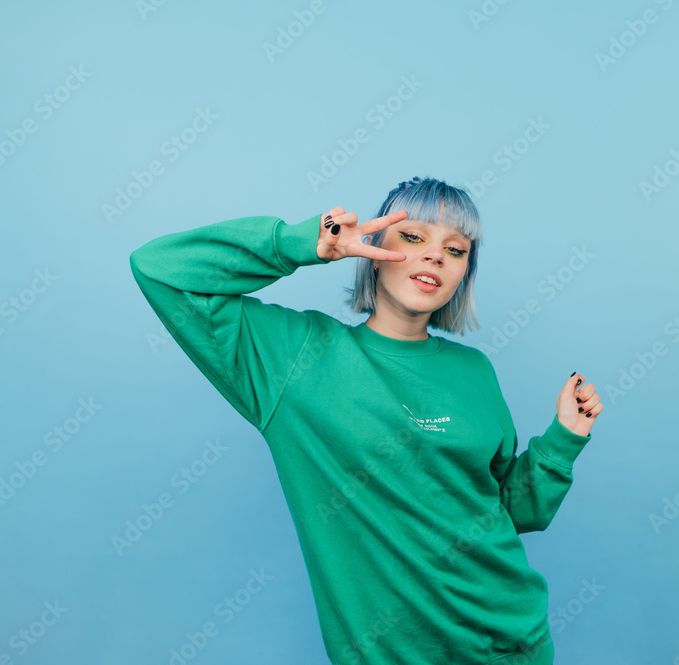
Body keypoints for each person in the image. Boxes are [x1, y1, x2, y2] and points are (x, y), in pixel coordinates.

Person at [129, 176, 602, 665]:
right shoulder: (295, 359)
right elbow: (159, 268)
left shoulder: (474, 371)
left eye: (456, 249)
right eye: (414, 237)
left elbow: (508, 512)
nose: (436, 256)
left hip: (511, 641)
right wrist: (298, 243)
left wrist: (562, 441)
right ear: (373, 248)